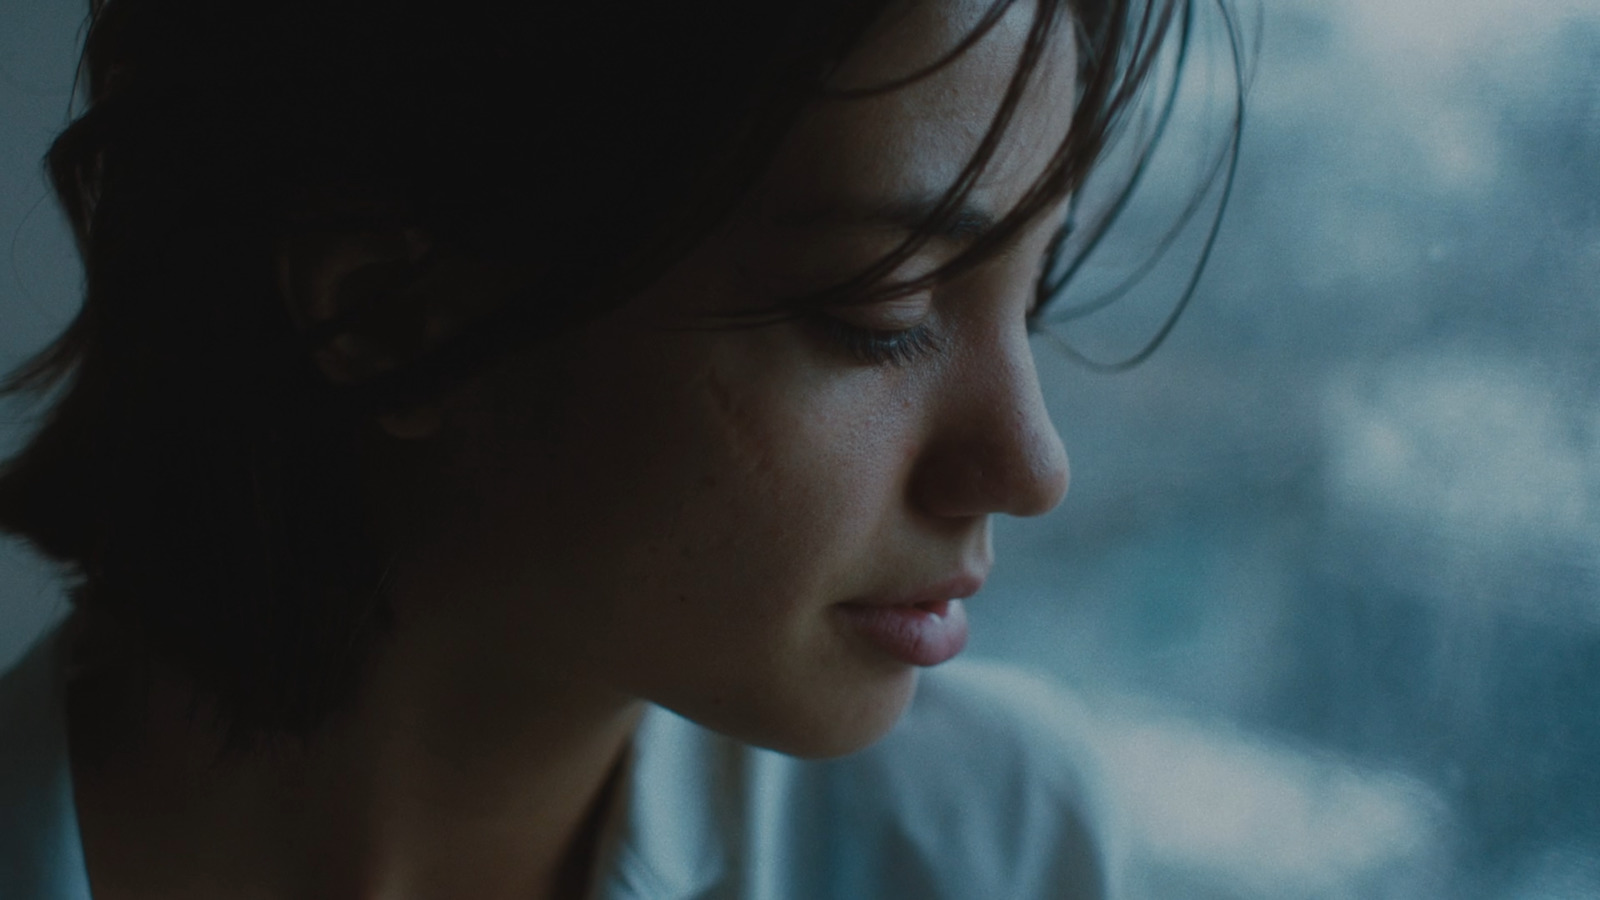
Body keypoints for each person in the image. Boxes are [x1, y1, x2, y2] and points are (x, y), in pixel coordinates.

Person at [0, 0, 1235, 897]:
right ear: (385, 311)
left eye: (1033, 296)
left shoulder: (991, 845)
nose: (1031, 466)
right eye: (879, 311)